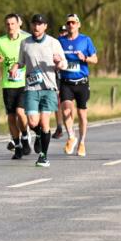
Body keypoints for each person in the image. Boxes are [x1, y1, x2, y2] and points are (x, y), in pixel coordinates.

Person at [13, 14, 65, 168]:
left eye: (40, 24)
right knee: (32, 122)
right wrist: (15, 67)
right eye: (34, 24)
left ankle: (43, 156)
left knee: (44, 122)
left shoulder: (53, 43)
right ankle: (39, 134)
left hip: (48, 88)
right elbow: (21, 62)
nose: (37, 27)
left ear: (45, 26)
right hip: (31, 87)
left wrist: (59, 62)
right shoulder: (25, 43)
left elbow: (64, 64)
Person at [0, 13, 31, 159]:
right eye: (7, 24)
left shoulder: (26, 40)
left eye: (13, 24)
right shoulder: (0, 42)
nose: (10, 27)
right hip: (8, 85)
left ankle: (25, 136)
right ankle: (18, 145)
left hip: (23, 83)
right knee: (11, 116)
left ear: (18, 25)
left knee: (21, 112)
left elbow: (31, 58)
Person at [58, 14, 98, 157]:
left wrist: (85, 58)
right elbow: (54, 56)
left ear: (78, 25)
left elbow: (95, 59)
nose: (71, 25)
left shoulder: (85, 40)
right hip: (66, 82)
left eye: (73, 23)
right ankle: (71, 137)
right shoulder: (60, 41)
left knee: (82, 114)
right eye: (68, 23)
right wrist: (57, 60)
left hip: (81, 82)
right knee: (66, 111)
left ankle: (82, 142)